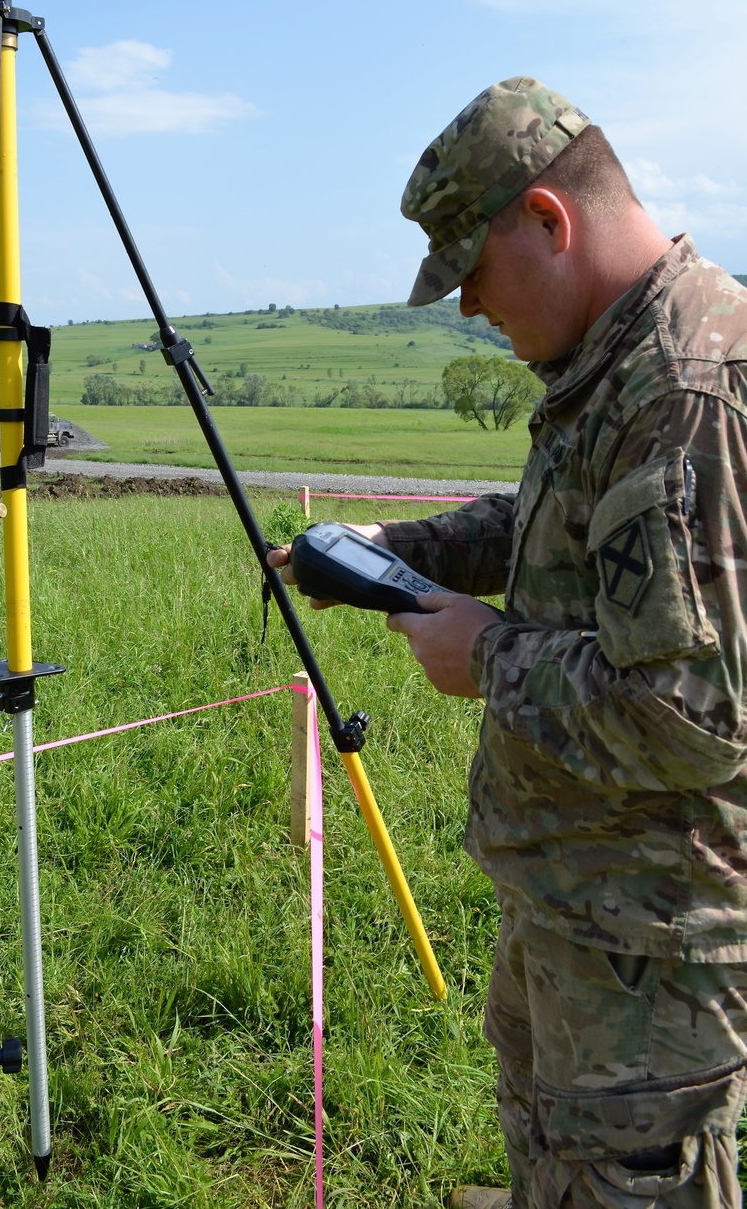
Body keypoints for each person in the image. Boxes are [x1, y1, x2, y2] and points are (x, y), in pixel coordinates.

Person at [268, 78, 747, 1208]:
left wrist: (484, 657)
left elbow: (695, 719)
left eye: (472, 276)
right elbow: (559, 527)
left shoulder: (683, 391)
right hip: (577, 903)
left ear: (548, 218)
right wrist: (400, 551)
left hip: (652, 944)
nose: (472, 311)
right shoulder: (611, 362)